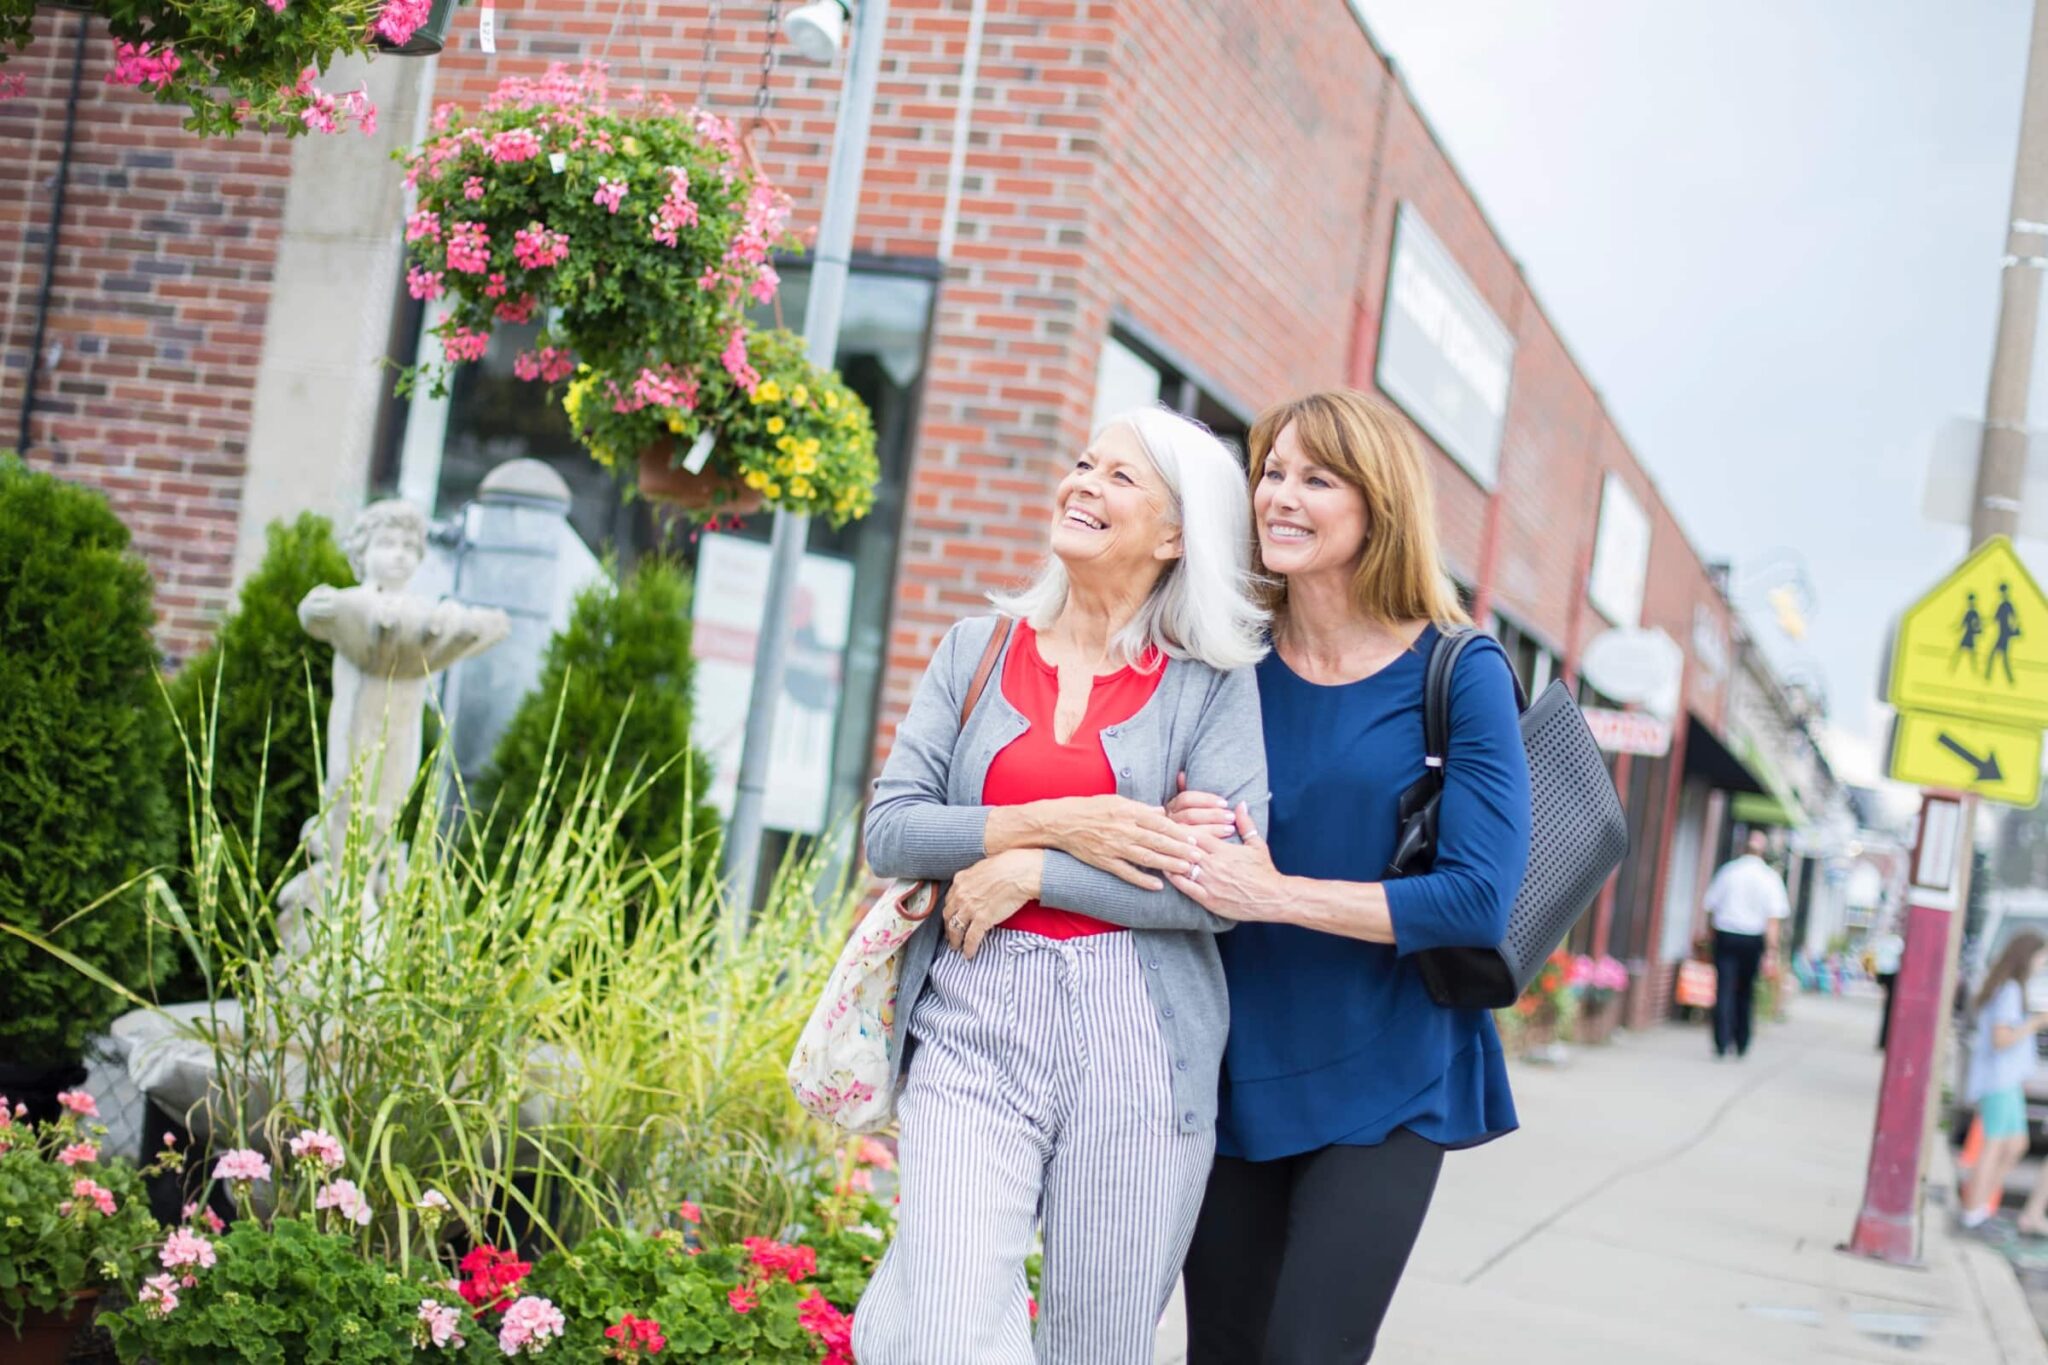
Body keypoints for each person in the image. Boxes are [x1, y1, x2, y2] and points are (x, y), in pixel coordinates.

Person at [852, 408, 1270, 1365]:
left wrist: (1036, 873)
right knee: (950, 1321)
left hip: (1138, 1033)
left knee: (1100, 1339)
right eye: (1084, 464)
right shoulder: (976, 650)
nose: (1083, 484)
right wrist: (1056, 822)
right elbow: (892, 831)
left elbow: (1218, 886)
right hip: (973, 1006)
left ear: (1176, 535)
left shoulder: (1210, 687)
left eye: (1121, 478)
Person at [1166, 390, 1532, 1364]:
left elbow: (1472, 897)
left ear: (1377, 504)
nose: (1279, 498)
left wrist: (1269, 893)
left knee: (1307, 1351)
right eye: (1270, 473)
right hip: (1233, 1062)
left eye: (1314, 479)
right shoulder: (1220, 662)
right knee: (1223, 1352)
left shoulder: (1457, 672)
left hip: (1387, 1067)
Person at [1959, 932, 2048, 1233]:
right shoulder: (2009, 990)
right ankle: (1974, 1212)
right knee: (1995, 1146)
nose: (2042, 964)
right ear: (2026, 956)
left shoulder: (2009, 988)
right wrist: (2035, 1022)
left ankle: (1981, 1206)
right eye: (2040, 957)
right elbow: (2001, 1039)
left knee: (2015, 1144)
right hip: (1998, 1080)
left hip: (2008, 1081)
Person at [1701, 829, 1790, 1059]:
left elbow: (1711, 907)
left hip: (1726, 935)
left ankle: (1721, 1042)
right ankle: (1741, 1041)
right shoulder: (1770, 878)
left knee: (1724, 989)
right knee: (1745, 991)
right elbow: (1773, 920)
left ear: (1744, 849)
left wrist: (1710, 935)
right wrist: (1771, 951)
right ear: (1764, 852)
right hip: (1752, 939)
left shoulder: (1729, 872)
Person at [1871, 925, 1905, 1051]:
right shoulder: (1897, 942)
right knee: (1890, 1013)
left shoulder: (1884, 942)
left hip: (1885, 975)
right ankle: (1886, 1041)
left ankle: (1883, 1041)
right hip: (1893, 976)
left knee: (1887, 1012)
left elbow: (1878, 960)